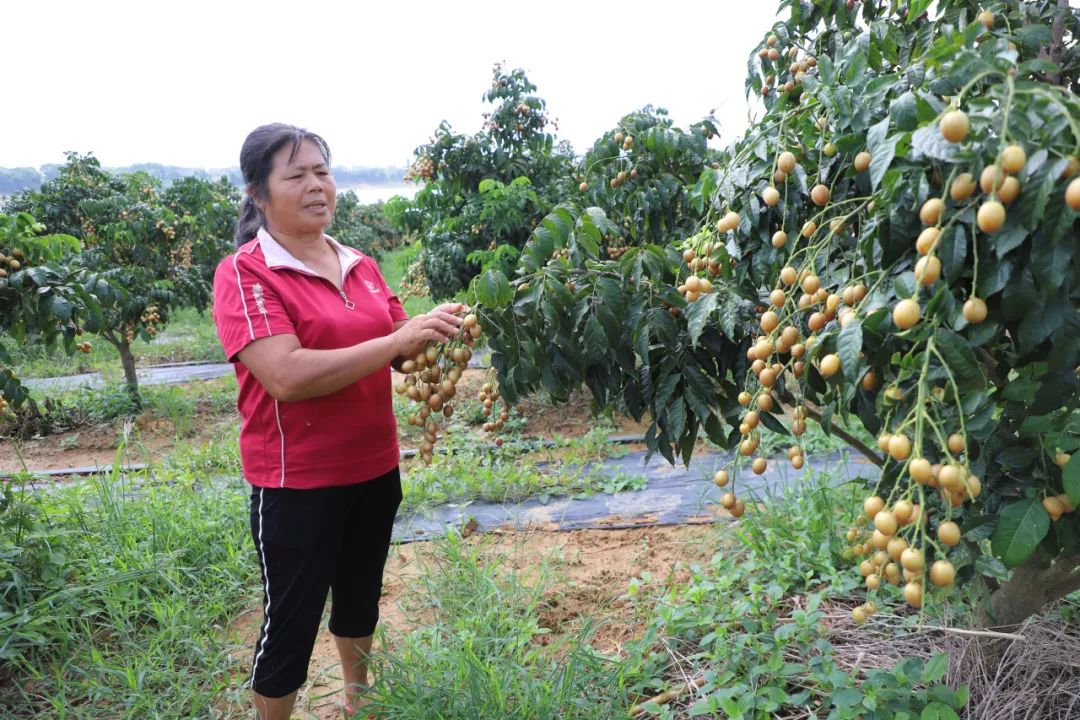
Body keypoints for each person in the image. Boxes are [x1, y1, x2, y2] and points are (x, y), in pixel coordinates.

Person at [212, 123, 464, 720]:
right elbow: (287, 375)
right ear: (257, 192)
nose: (315, 185)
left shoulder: (361, 264)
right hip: (295, 481)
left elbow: (402, 351)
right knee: (291, 625)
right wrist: (397, 339)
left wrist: (440, 326)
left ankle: (359, 703)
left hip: (375, 468)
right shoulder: (246, 274)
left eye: (321, 171)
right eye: (295, 175)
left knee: (359, 600)